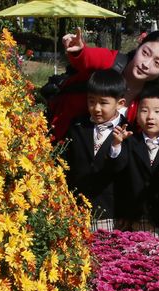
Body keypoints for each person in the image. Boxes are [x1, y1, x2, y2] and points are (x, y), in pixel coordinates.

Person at [49, 27, 159, 141]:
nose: (146, 64)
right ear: (139, 46)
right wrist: (79, 50)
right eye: (145, 53)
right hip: (62, 135)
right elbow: (89, 57)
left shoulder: (150, 99)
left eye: (157, 63)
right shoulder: (113, 62)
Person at [63, 69, 130, 232]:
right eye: (91, 101)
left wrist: (115, 146)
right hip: (76, 210)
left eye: (104, 103)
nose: (96, 108)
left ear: (120, 104)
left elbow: (127, 175)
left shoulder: (129, 132)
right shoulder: (77, 126)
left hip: (110, 212)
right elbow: (66, 164)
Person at [115, 86, 159, 235]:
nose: (150, 117)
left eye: (157, 111)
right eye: (144, 110)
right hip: (135, 217)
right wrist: (123, 212)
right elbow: (120, 180)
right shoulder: (128, 142)